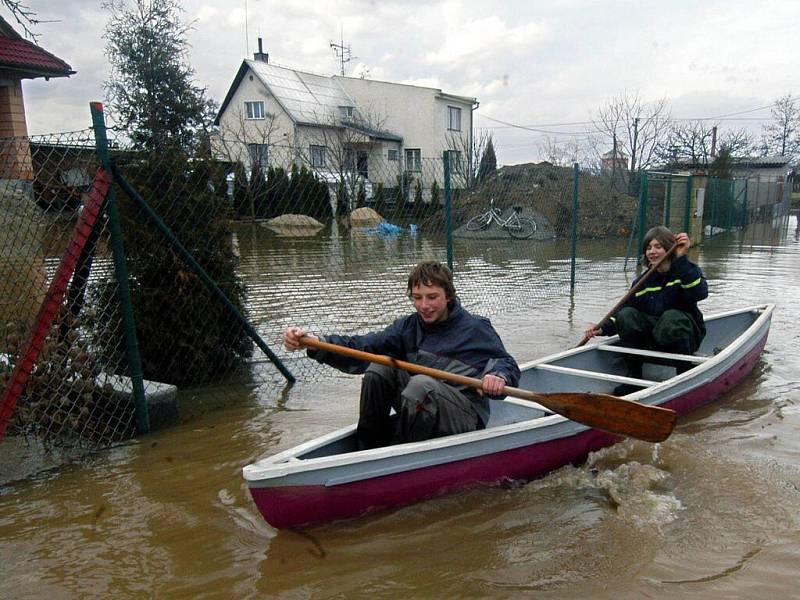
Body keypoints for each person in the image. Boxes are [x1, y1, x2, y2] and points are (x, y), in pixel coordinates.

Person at [283, 261, 520, 449]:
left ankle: (401, 453)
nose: (423, 306)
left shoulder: (475, 328)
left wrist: (497, 375)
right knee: (378, 370)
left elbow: (505, 362)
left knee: (420, 385)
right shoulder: (407, 328)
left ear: (448, 296)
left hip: (465, 416)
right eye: (417, 298)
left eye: (431, 297)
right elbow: (363, 346)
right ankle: (367, 450)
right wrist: (316, 343)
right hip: (423, 404)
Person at [584, 226, 708, 394]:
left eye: (658, 246)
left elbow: (699, 292)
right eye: (649, 247)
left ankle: (684, 373)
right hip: (654, 337)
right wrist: (601, 329)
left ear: (669, 248)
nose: (652, 251)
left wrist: (681, 258)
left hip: (685, 335)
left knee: (672, 318)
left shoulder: (685, 271)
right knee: (626, 315)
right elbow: (624, 311)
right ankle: (634, 377)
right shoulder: (642, 282)